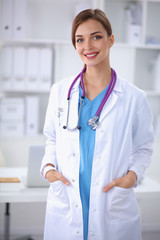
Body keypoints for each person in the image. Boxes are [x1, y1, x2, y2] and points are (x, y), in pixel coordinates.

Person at [40, 9, 154, 240]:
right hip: (68, 196)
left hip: (111, 200)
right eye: (80, 39)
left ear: (111, 40)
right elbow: (51, 137)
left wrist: (132, 176)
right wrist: (49, 168)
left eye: (97, 36)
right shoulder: (60, 91)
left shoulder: (134, 97)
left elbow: (143, 147)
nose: (88, 46)